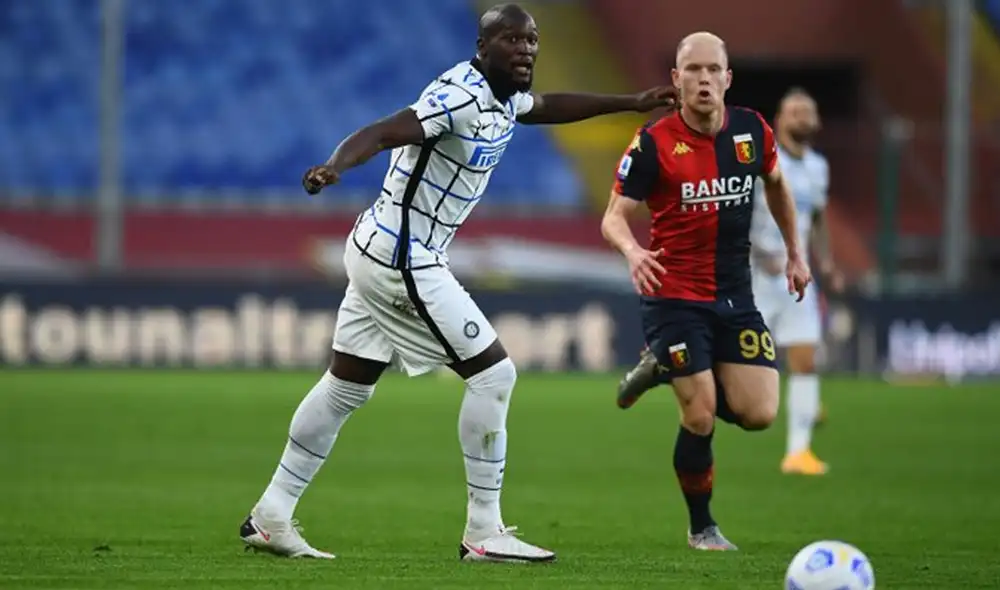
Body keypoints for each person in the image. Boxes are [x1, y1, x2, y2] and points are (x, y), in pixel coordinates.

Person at [238, 2, 676, 563]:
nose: (526, 51)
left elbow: (545, 107)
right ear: (482, 48)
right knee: (495, 375)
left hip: (382, 247)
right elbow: (383, 130)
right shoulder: (459, 95)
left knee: (347, 386)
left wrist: (631, 103)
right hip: (403, 254)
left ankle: (272, 515)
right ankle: (484, 531)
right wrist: (336, 166)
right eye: (512, 42)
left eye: (533, 42)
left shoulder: (503, 97)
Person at [600, 31, 811, 551]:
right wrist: (633, 252)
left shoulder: (752, 131)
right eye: (691, 70)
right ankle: (702, 528)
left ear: (727, 77)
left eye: (712, 69)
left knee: (760, 413)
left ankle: (665, 365)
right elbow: (613, 218)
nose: (703, 79)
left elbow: (779, 186)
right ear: (676, 80)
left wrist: (795, 252)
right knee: (699, 413)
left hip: (735, 296)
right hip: (673, 295)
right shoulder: (653, 142)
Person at [750, 88, 843, 475]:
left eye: (809, 111)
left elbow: (817, 218)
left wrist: (827, 260)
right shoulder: (760, 163)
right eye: (795, 111)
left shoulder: (819, 167)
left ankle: (798, 453)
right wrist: (758, 252)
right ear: (779, 119)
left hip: (797, 276)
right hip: (753, 275)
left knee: (805, 362)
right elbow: (734, 214)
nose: (803, 117)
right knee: (742, 366)